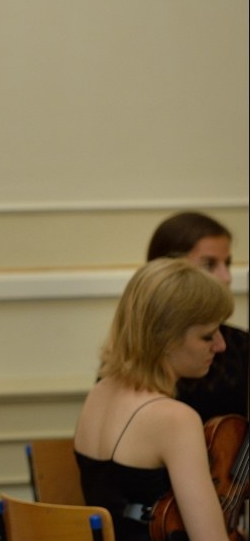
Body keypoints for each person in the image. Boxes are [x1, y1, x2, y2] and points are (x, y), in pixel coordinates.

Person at [74, 258, 234, 541]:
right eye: (207, 336)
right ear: (166, 339)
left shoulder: (100, 392)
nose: (220, 345)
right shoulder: (175, 419)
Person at [146, 211, 248, 422]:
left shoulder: (241, 345)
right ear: (167, 270)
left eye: (227, 264)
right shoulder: (132, 351)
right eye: (209, 264)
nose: (226, 277)